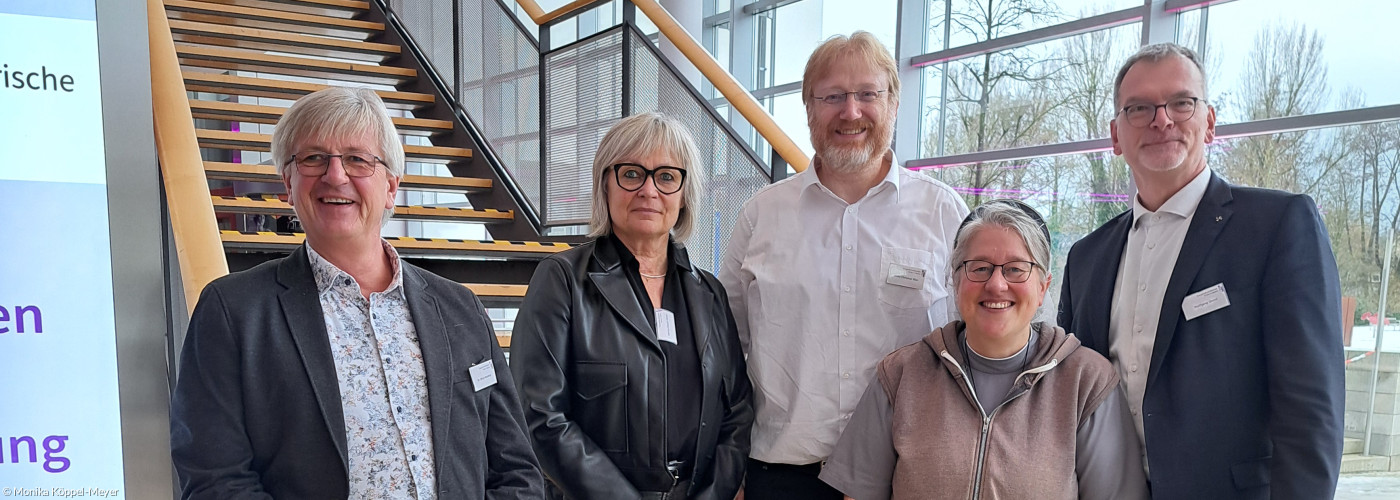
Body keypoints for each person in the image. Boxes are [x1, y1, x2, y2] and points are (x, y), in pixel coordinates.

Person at [170, 87, 546, 499]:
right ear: (287, 184)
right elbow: (215, 479)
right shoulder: (234, 311)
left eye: (357, 159)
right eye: (313, 158)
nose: (335, 175)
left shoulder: (460, 309)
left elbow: (516, 469)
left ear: (390, 187)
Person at [1057, 43, 1344, 499]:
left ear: (1208, 122)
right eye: (1140, 108)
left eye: (1181, 102)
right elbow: (1069, 400)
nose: (1162, 119)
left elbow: (1311, 412)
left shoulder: (1277, 226)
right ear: (1115, 135)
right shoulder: (1086, 257)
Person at [718, 31, 969, 499]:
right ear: (809, 109)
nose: (850, 112)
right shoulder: (761, 216)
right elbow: (725, 351)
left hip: (906, 476)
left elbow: (977, 345)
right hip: (781, 476)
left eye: (868, 94)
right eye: (832, 96)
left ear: (893, 103)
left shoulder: (943, 213)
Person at [818, 200, 1148, 500]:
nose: (996, 284)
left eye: (1016, 269)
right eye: (979, 268)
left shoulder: (1086, 383)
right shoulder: (902, 375)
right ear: (956, 280)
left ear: (1043, 286)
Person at [511, 112, 754, 500]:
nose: (649, 190)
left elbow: (737, 411)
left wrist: (714, 493)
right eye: (631, 174)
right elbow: (540, 415)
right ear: (605, 184)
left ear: (683, 194)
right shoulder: (561, 280)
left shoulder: (709, 292)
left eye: (666, 176)